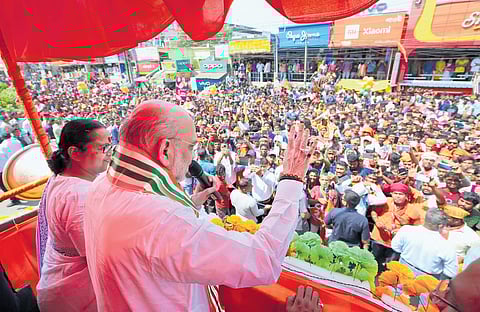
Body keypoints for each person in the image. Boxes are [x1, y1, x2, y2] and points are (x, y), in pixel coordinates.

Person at [83, 100, 316, 311]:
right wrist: (291, 181)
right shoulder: (161, 219)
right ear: (165, 150)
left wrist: (189, 204)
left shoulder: (100, 185)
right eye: (190, 147)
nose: (192, 158)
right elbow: (262, 258)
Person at [36, 119, 112, 312]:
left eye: (109, 146)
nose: (109, 153)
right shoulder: (78, 196)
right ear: (74, 153)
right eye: (102, 147)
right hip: (73, 299)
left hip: (60, 286)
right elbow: (100, 257)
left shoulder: (63, 178)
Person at [391, 208, 458, 280]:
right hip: (426, 281)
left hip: (402, 271)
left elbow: (395, 247)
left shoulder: (406, 230)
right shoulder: (447, 246)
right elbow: (451, 272)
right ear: (441, 225)